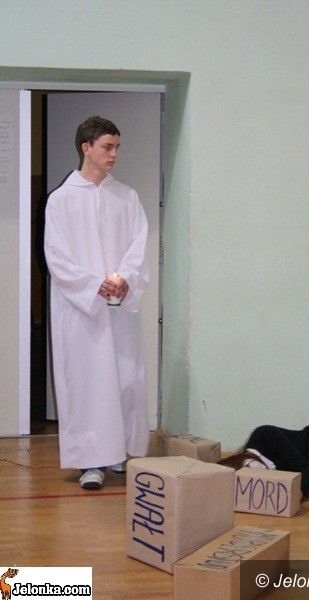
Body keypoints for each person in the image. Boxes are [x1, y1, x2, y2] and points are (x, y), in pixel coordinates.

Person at [44, 115, 149, 490]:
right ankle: (90, 462)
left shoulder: (127, 197)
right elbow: (56, 256)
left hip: (118, 306)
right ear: (85, 147)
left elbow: (138, 246)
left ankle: (118, 453)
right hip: (81, 311)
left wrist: (125, 278)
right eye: (107, 147)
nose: (114, 154)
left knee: (124, 378)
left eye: (117, 147)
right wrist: (93, 285)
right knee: (89, 383)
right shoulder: (61, 200)